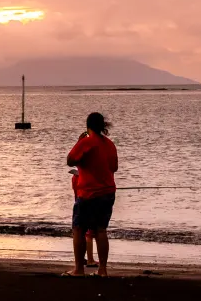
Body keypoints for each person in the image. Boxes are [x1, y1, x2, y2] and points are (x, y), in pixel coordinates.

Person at [65, 112, 117, 277]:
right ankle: (102, 270)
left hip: (88, 193)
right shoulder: (109, 144)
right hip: (108, 191)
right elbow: (114, 167)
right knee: (101, 230)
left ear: (88, 126)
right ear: (103, 126)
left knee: (79, 229)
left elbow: (70, 160)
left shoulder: (86, 142)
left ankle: (79, 269)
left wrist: (79, 142)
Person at [69, 131, 99, 268]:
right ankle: (89, 260)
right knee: (89, 232)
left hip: (85, 196)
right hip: (88, 196)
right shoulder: (77, 177)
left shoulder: (76, 177)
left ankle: (86, 261)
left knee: (87, 231)